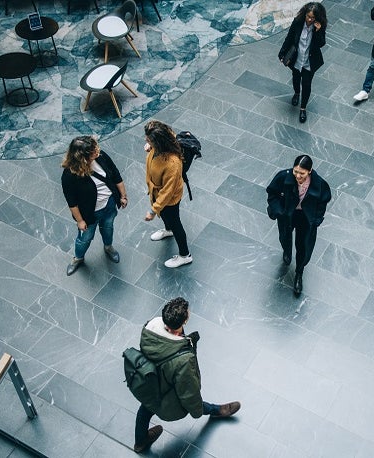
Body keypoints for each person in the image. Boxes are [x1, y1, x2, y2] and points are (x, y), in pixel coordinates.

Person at [133, 297, 241, 453]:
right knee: (193, 402)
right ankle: (215, 410)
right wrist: (196, 411)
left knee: (144, 410)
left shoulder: (150, 327)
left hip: (149, 384)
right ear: (185, 320)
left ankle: (140, 443)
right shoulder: (183, 360)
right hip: (167, 392)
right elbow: (188, 393)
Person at [61, 136, 127, 276]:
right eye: (93, 151)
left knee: (108, 227)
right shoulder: (69, 175)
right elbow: (71, 201)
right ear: (83, 157)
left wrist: (123, 196)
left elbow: (115, 175)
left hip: (109, 204)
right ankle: (78, 258)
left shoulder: (101, 156)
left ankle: (108, 247)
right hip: (88, 213)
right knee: (85, 238)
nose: (98, 151)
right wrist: (80, 220)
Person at [266, 155, 331, 296]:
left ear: (310, 171)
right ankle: (287, 252)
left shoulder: (319, 184)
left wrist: (316, 219)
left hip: (306, 218)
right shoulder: (283, 177)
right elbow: (272, 193)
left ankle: (299, 274)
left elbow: (322, 202)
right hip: (287, 214)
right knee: (284, 237)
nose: (298, 175)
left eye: (302, 173)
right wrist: (279, 211)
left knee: (303, 246)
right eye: (296, 171)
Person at [144, 120, 192, 268]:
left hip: (168, 198)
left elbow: (167, 191)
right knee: (166, 217)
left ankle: (185, 255)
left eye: (149, 140)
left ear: (160, 142)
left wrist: (153, 210)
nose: (146, 140)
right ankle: (168, 230)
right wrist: (151, 146)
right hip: (157, 193)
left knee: (175, 222)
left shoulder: (172, 163)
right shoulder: (162, 142)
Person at [278, 2, 327, 124]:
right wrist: (282, 53)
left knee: (306, 84)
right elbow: (289, 38)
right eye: (308, 16)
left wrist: (318, 31)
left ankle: (303, 108)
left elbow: (321, 44)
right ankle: (296, 93)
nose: (309, 19)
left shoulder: (319, 26)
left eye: (312, 18)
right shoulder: (298, 22)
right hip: (297, 58)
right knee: (295, 78)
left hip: (309, 61)